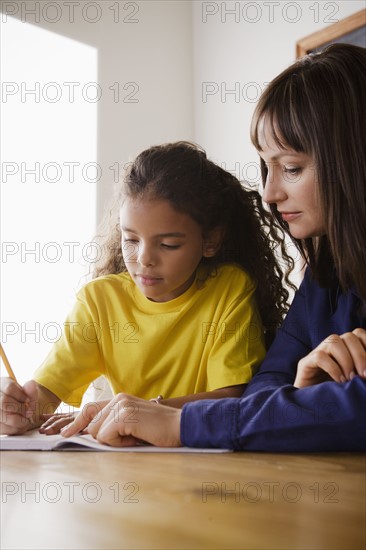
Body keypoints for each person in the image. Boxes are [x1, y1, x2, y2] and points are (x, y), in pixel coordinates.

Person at [59, 43, 366, 451]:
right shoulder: (324, 275)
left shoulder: (235, 289)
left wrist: (183, 424)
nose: (271, 193)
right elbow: (264, 389)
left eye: (291, 168)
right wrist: (303, 392)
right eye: (267, 166)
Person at [0, 141, 292, 435]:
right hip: (125, 468)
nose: (143, 260)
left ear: (211, 241)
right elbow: (43, 397)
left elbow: (233, 398)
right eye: (130, 240)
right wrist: (17, 410)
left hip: (204, 465)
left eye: (168, 245)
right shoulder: (99, 300)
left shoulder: (229, 289)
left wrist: (142, 412)